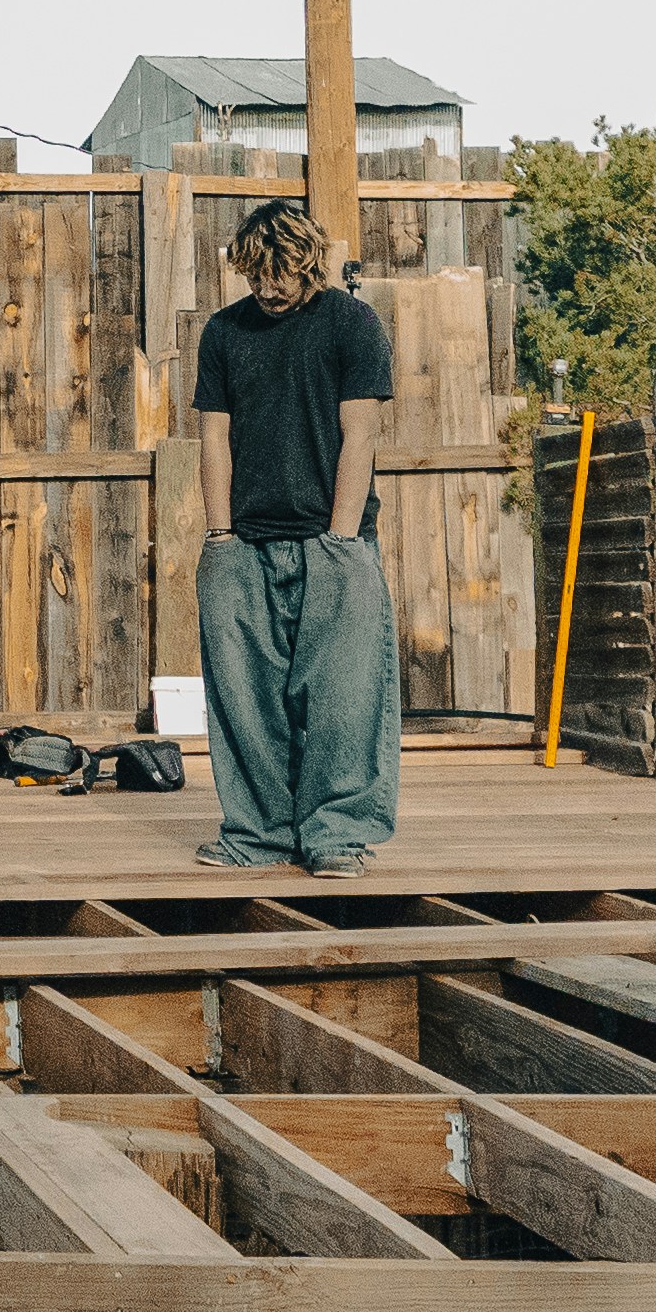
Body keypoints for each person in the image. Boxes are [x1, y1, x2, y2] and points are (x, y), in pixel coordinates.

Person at [184, 193, 395, 872]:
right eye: (257, 275)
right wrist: (219, 536)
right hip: (242, 543)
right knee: (244, 701)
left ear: (310, 265)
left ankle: (335, 838)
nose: (269, 288)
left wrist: (339, 538)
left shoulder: (352, 324)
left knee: (343, 701)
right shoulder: (224, 332)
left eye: (282, 274)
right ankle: (259, 834)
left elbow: (359, 435)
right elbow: (213, 437)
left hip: (334, 541)